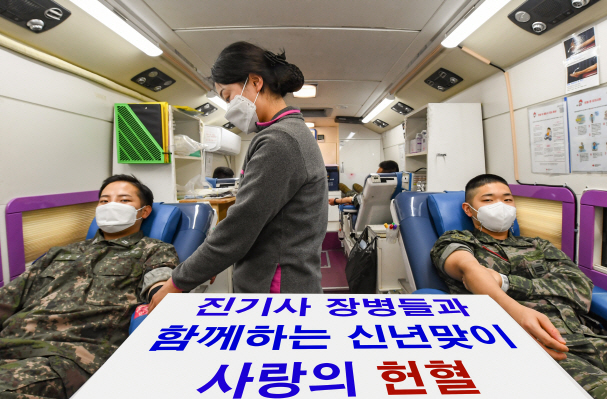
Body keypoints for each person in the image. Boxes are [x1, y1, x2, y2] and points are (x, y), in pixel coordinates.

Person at [149, 41, 327, 309]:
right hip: (280, 277)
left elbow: (240, 226)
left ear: (255, 82)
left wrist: (177, 282)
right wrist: (210, 262)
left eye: (228, 96)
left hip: (276, 287)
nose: (229, 109)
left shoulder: (280, 141)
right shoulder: (284, 134)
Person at [430, 174, 607, 398]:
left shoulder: (538, 245)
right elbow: (471, 272)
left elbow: (579, 286)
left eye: (507, 200)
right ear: (469, 209)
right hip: (525, 344)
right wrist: (519, 312)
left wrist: (505, 282)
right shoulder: (459, 240)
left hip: (585, 337)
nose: (500, 206)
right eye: (488, 200)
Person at [0, 174, 179, 398]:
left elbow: (161, 287)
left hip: (68, 354)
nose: (111, 205)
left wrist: (171, 290)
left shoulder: (153, 250)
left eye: (124, 200)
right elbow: (8, 297)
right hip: (8, 343)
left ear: (144, 211)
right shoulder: (61, 252)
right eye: (104, 201)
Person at [329, 160, 400, 206]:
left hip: (362, 195)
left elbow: (352, 199)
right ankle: (360, 188)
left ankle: (351, 189)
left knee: (349, 192)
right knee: (361, 189)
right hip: (366, 192)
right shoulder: (399, 190)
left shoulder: (374, 193)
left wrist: (335, 201)